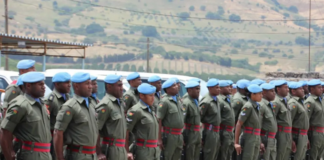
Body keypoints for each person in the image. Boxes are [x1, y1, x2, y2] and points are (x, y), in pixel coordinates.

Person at [53, 72, 106, 160]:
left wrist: (98, 152)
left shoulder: (92, 104)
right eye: (86, 84)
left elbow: (95, 130)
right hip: (78, 155)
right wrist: (60, 158)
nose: (90, 86)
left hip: (92, 155)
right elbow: (58, 133)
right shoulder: (70, 106)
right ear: (76, 86)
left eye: (90, 83)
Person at [0, 72, 51, 160]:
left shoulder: (41, 104)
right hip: (30, 154)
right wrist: (9, 154)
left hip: (45, 154)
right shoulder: (21, 105)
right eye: (40, 84)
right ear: (28, 86)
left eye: (43, 84)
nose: (44, 87)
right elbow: (5, 131)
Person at [95, 74, 131, 160]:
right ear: (109, 87)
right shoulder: (106, 104)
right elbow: (95, 130)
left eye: (122, 85)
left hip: (121, 149)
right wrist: (99, 152)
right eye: (119, 85)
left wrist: (127, 151)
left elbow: (123, 130)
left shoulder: (119, 103)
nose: (122, 88)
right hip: (111, 149)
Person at [126, 83, 161, 160]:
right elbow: (126, 131)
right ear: (141, 96)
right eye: (150, 96)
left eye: (153, 95)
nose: (153, 98)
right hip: (143, 150)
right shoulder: (136, 110)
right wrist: (127, 151)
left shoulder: (151, 109)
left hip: (154, 150)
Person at [45, 72, 71, 160]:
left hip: (65, 137)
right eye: (66, 83)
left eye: (69, 82)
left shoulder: (68, 98)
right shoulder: (51, 99)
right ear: (57, 84)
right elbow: (45, 120)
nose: (69, 85)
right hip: (53, 138)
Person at [157, 78, 184, 160]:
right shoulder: (165, 101)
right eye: (174, 86)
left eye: (176, 85)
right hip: (169, 135)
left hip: (179, 134)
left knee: (177, 156)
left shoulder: (178, 100)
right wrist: (159, 139)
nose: (177, 87)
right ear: (168, 89)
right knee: (168, 156)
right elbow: (159, 120)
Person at [234, 84, 263, 160]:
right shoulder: (248, 106)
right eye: (259, 94)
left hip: (255, 137)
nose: (261, 96)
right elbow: (239, 123)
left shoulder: (256, 106)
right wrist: (236, 143)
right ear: (252, 94)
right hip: (249, 137)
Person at [272, 80, 295, 160]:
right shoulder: (276, 102)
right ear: (278, 89)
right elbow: (272, 120)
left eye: (288, 87)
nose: (288, 90)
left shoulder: (284, 101)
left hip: (287, 134)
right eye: (285, 88)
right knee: (280, 156)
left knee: (286, 156)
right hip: (280, 133)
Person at [199, 78, 221, 160]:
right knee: (209, 154)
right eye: (216, 88)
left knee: (214, 154)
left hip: (216, 131)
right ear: (210, 88)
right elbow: (199, 118)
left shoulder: (216, 99)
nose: (219, 89)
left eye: (219, 87)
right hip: (209, 132)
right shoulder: (206, 101)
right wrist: (201, 135)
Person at [288, 82, 309, 160]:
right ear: (293, 91)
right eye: (300, 89)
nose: (303, 90)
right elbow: (289, 122)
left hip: (303, 135)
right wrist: (291, 139)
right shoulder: (293, 103)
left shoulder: (300, 102)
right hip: (296, 135)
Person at [304, 79, 324, 160]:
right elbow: (306, 120)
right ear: (312, 89)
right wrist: (306, 137)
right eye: (319, 87)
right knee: (313, 156)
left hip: (321, 132)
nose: (321, 89)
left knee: (320, 156)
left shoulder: (321, 100)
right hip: (314, 133)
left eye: (321, 87)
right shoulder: (310, 102)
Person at [182, 81, 201, 160]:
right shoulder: (187, 103)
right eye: (196, 89)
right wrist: (182, 137)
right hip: (190, 133)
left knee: (196, 156)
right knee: (189, 156)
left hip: (197, 133)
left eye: (199, 89)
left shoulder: (195, 101)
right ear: (189, 90)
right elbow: (182, 120)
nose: (198, 91)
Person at [259, 83, 277, 160]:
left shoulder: (269, 105)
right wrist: (260, 142)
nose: (274, 93)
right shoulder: (261, 105)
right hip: (265, 138)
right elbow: (257, 125)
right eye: (271, 91)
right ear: (264, 92)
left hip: (272, 139)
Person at [218, 80, 235, 160]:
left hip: (230, 131)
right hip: (223, 131)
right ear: (220, 89)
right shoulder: (220, 101)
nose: (230, 88)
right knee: (223, 154)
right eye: (227, 87)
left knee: (229, 153)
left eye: (230, 87)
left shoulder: (228, 99)